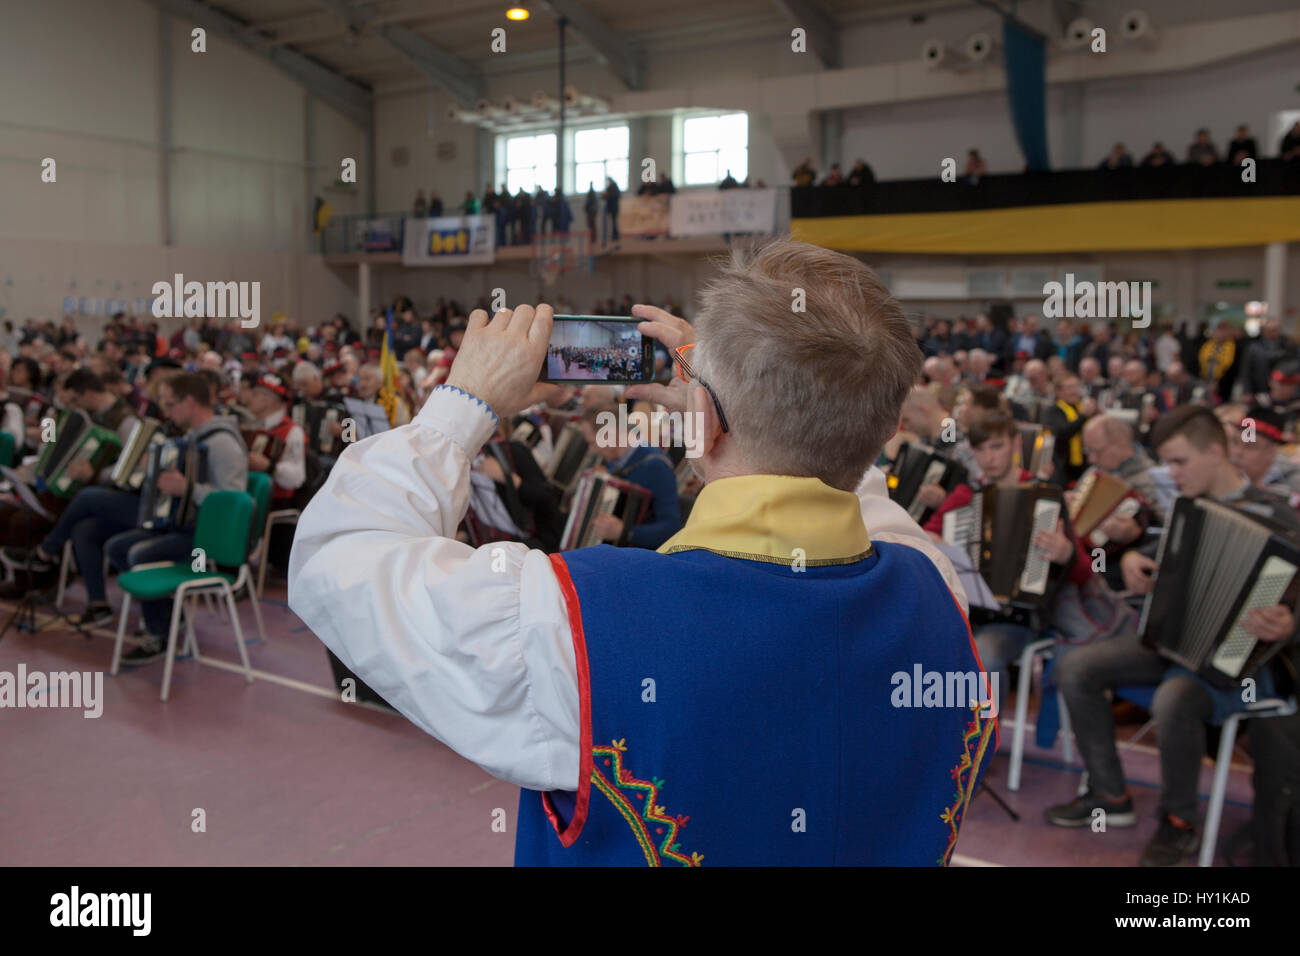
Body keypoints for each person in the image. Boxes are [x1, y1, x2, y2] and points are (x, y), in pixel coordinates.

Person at [288, 240, 996, 866]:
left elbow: (338, 555)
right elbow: (852, 475)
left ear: (704, 421)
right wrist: (751, 397)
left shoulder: (575, 623)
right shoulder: (935, 587)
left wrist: (461, 405)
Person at [1047, 405, 1300, 866]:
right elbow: (1164, 561)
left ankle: (1178, 821)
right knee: (1076, 666)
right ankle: (1110, 796)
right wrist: (1129, 558)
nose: (1171, 473)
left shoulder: (1279, 515)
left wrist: (1289, 623)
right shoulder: (1183, 508)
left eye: (1180, 462)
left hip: (1239, 666)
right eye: (1167, 462)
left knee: (1174, 698)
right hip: (1173, 643)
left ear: (1217, 453)